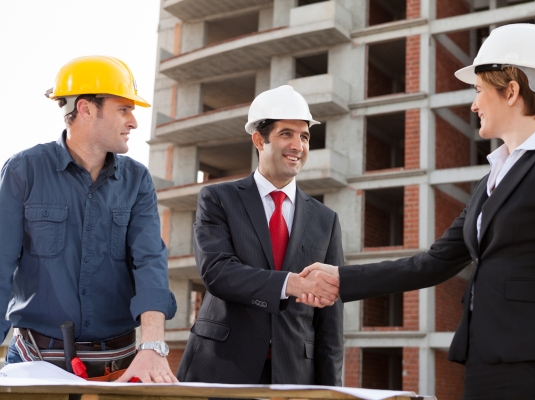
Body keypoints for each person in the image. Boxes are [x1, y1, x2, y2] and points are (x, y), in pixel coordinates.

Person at [300, 24, 535, 399]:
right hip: (481, 367)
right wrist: (342, 279)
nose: (473, 104)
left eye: (478, 90)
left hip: (534, 374)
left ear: (511, 91)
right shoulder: (490, 181)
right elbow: (433, 263)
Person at [0, 56, 178, 383]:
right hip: (36, 362)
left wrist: (153, 343)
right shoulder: (23, 171)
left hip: (120, 366)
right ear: (85, 109)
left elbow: (150, 261)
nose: (134, 121)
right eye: (124, 109)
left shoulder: (138, 180)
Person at [176, 85, 343, 385]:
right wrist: (289, 283)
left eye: (304, 136)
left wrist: (332, 390)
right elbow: (217, 273)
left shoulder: (325, 220)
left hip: (294, 375)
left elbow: (331, 319)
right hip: (221, 368)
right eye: (286, 134)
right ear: (258, 139)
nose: (298, 145)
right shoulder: (217, 199)